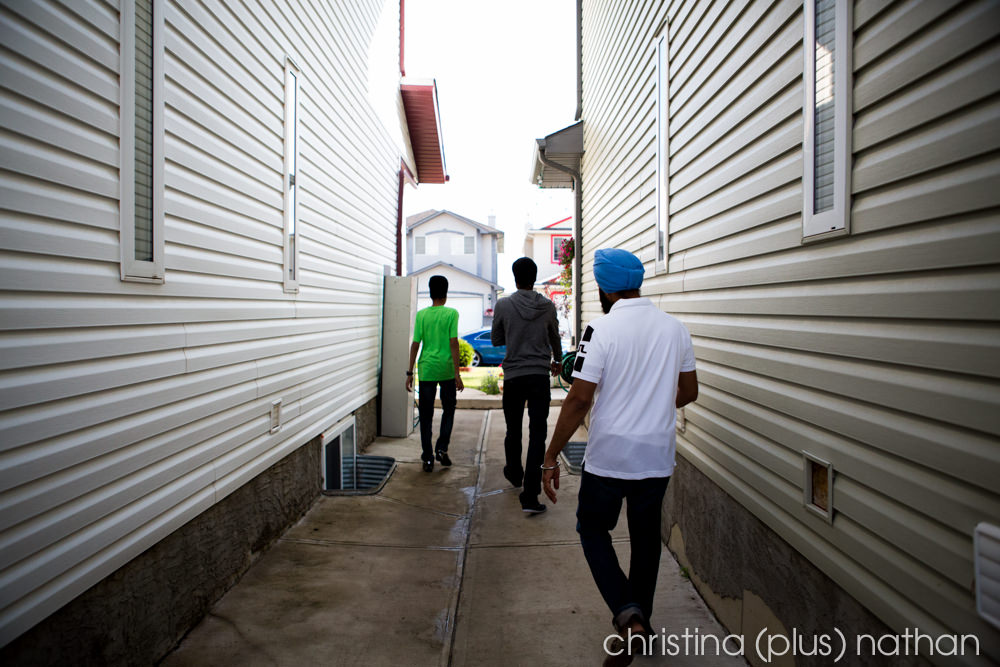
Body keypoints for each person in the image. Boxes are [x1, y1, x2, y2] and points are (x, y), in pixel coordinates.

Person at [541, 248, 698, 667]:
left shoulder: (601, 330)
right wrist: (654, 408)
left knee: (593, 529)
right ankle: (640, 619)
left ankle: (629, 616)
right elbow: (689, 392)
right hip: (656, 455)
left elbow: (579, 399)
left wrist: (550, 456)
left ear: (604, 289)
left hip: (610, 456)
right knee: (646, 539)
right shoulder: (675, 329)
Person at [491, 257, 563, 515]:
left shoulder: (504, 305)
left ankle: (514, 472)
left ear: (515, 277)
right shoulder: (547, 306)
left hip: (513, 376)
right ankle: (530, 496)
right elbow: (554, 336)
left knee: (513, 429)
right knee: (537, 434)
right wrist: (557, 360)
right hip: (539, 377)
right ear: (534, 278)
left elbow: (496, 338)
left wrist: (514, 333)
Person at [406, 275, 464, 472]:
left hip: (427, 369)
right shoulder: (452, 314)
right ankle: (442, 448)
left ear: (431, 293)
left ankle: (428, 458)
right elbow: (453, 343)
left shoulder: (422, 315)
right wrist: (457, 374)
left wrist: (409, 372)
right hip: (446, 369)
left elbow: (415, 344)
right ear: (445, 293)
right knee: (449, 409)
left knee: (426, 414)